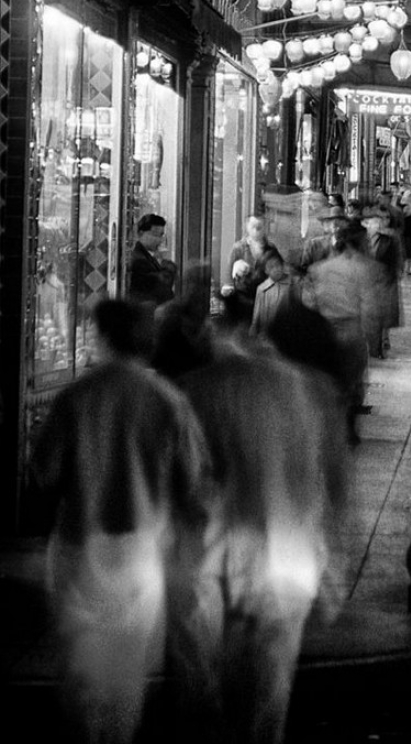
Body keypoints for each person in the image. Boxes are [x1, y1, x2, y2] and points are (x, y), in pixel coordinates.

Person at [30, 297, 210, 744]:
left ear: (103, 337)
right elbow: (194, 483)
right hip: (142, 551)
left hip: (80, 546)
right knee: (126, 681)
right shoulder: (169, 401)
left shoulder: (77, 396)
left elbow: (44, 472)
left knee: (80, 681)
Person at [168, 346, 351, 744]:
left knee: (203, 685)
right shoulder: (314, 391)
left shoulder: (197, 389)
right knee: (269, 690)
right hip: (288, 552)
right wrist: (333, 554)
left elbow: (181, 476)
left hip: (210, 551)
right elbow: (334, 478)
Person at [302, 222, 382, 443]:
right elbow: (370, 306)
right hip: (351, 330)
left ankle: (326, 426)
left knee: (327, 380)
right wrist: (372, 335)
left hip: (325, 332)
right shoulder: (365, 269)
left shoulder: (319, 269)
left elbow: (309, 302)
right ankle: (347, 427)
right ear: (358, 243)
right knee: (352, 381)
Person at [362, 206, 404, 357]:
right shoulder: (362, 239)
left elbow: (397, 259)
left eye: (383, 219)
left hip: (385, 280)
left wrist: (397, 273)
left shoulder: (391, 238)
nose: (380, 223)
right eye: (376, 220)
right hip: (366, 281)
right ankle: (373, 344)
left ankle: (380, 344)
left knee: (382, 314)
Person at [225, 215, 277, 323]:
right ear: (247, 227)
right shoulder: (239, 247)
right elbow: (229, 271)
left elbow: (278, 270)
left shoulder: (271, 248)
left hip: (265, 298)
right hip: (243, 296)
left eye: (259, 227)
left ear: (264, 229)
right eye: (253, 227)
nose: (256, 231)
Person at [128, 213, 176, 308]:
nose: (159, 240)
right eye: (154, 235)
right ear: (141, 234)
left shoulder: (150, 257)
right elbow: (161, 284)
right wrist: (167, 267)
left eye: (161, 235)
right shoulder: (139, 260)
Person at [250, 246, 294, 340]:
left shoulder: (293, 284)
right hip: (266, 338)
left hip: (288, 336)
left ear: (283, 265)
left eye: (278, 265)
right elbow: (256, 315)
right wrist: (253, 331)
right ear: (266, 270)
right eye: (271, 267)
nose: (276, 269)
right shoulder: (262, 289)